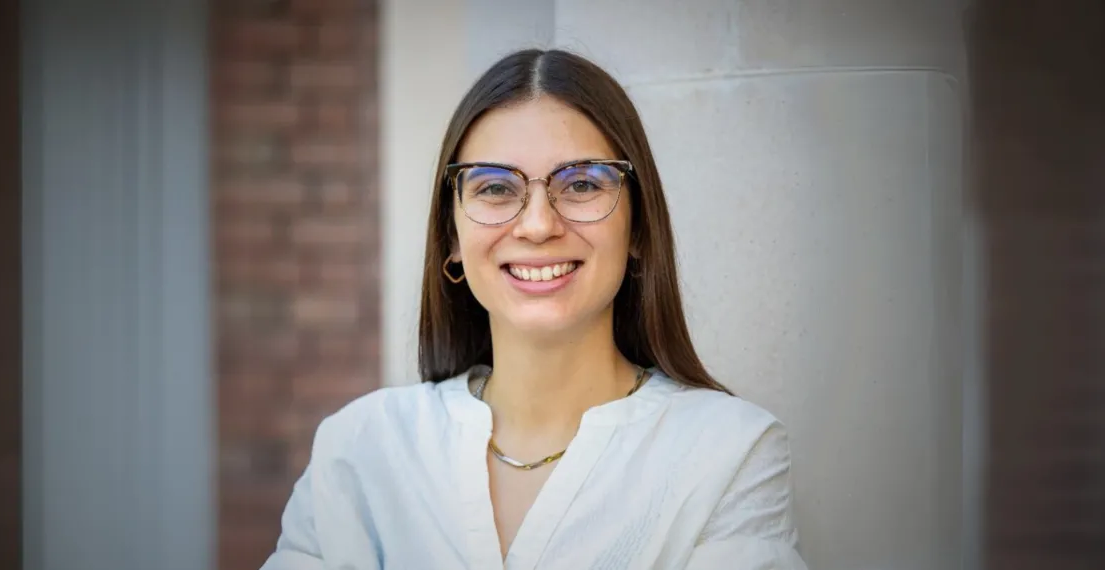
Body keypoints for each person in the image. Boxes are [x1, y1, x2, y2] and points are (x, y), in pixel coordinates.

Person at [261, 48, 808, 570]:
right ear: (451, 236)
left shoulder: (729, 453)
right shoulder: (362, 447)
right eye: (496, 188)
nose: (539, 225)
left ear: (638, 227)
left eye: (583, 184)